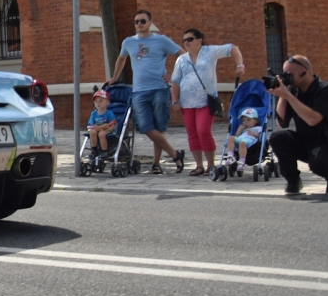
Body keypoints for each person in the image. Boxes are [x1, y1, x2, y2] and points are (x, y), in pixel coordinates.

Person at [106, 10, 185, 174]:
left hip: (159, 89)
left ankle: (156, 164)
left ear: (150, 23)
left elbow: (182, 55)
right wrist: (114, 77)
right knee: (145, 126)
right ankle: (175, 154)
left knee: (158, 127)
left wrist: (174, 74)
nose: (139, 24)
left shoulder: (161, 40)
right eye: (136, 22)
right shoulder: (128, 42)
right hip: (139, 91)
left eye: (142, 21)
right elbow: (122, 58)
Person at [169, 28, 245, 175]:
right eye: (184, 40)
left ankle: (211, 164)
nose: (186, 43)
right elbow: (175, 80)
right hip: (186, 102)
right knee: (192, 133)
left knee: (203, 131)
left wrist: (239, 65)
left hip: (205, 100)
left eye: (190, 39)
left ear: (199, 40)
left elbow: (233, 49)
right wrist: (174, 101)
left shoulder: (210, 52)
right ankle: (199, 165)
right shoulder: (181, 59)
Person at [268, 55, 328, 195]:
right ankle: (293, 181)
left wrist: (289, 96)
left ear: (303, 71)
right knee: (277, 137)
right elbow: (281, 123)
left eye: (289, 75)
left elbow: (313, 119)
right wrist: (284, 94)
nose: (287, 78)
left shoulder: (326, 89)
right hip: (305, 140)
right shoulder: (294, 92)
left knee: (318, 165)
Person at [223, 108, 262, 176]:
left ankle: (242, 161)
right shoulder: (244, 129)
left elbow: (259, 136)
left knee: (242, 143)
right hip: (241, 138)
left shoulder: (258, 128)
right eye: (243, 120)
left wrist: (253, 133)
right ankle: (231, 156)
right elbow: (237, 136)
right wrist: (240, 129)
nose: (245, 122)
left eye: (248, 120)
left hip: (250, 140)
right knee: (231, 138)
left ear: (256, 120)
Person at [86, 90, 117, 168]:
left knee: (102, 133)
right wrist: (94, 127)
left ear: (107, 102)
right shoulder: (93, 113)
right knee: (92, 132)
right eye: (96, 101)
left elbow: (113, 123)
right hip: (97, 129)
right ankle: (94, 150)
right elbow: (90, 124)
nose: (98, 103)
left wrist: (108, 127)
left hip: (107, 131)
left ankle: (104, 151)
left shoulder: (109, 113)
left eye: (100, 101)